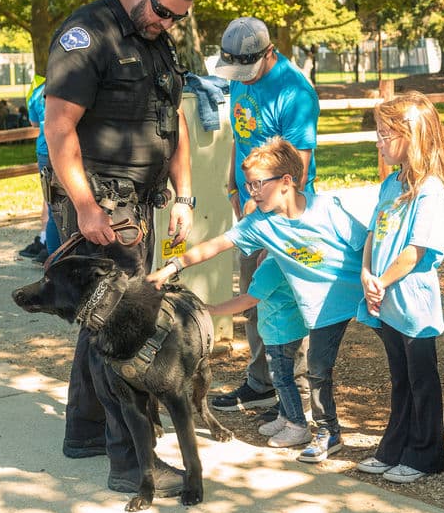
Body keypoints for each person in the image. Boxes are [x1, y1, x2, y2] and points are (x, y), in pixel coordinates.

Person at [42, 0, 198, 499]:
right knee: (122, 327)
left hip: (139, 205)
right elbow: (59, 127)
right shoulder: (88, 35)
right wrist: (86, 206)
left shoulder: (157, 40)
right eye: (162, 11)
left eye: (176, 17)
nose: (167, 23)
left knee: (101, 321)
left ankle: (85, 432)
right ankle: (132, 463)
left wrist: (185, 194)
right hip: (100, 207)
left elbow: (174, 118)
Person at [148, 138, 367, 465]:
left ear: (286, 182)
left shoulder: (326, 209)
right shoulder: (260, 223)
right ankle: (327, 431)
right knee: (319, 369)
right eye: (248, 184)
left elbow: (366, 242)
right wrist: (172, 267)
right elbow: (216, 245)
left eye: (258, 184)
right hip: (323, 310)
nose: (251, 192)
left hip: (362, 294)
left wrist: (378, 280)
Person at [209, 16, 320, 418]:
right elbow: (240, 137)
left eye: (248, 70)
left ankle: (296, 395)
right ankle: (262, 383)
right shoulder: (242, 78)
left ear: (268, 52)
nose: (242, 78)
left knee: (285, 304)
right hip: (250, 208)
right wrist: (233, 185)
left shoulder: (295, 92)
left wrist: (267, 219)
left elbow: (297, 169)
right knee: (255, 300)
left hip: (282, 217)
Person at [354, 93, 444, 484]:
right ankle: (395, 447)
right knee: (400, 379)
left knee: (421, 381)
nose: (378, 141)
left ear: (413, 135)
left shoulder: (430, 190)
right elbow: (372, 233)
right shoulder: (390, 184)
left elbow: (417, 250)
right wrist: (367, 273)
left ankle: (426, 454)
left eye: (385, 133)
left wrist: (380, 281)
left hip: (413, 304)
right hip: (386, 301)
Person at [207, 256, 312, 448]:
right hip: (291, 329)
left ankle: (297, 426)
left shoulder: (272, 265)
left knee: (282, 380)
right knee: (283, 379)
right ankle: (285, 417)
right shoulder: (289, 259)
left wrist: (212, 310)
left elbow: (248, 300)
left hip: (279, 334)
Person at [18, 77, 58, 264]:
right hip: (62, 148)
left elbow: (33, 122)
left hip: (43, 149)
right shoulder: (68, 86)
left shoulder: (36, 92)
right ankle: (57, 251)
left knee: (49, 199)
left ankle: (48, 247)